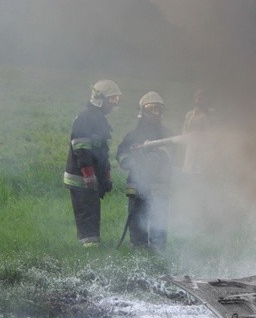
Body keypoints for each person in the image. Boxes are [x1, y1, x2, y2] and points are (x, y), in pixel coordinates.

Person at [63, 80, 121, 246]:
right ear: (99, 98)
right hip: (81, 179)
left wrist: (105, 175)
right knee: (87, 216)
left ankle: (92, 246)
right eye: (112, 99)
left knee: (93, 214)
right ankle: (89, 250)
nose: (114, 104)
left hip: (92, 179)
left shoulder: (100, 119)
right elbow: (81, 148)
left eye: (116, 100)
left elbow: (102, 152)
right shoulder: (85, 118)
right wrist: (88, 175)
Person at [116, 92, 174, 250]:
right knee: (136, 217)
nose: (155, 113)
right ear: (142, 111)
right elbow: (121, 155)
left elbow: (174, 156)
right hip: (137, 184)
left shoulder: (167, 135)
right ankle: (138, 246)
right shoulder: (133, 136)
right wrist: (131, 161)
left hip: (159, 185)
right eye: (151, 108)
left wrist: (159, 157)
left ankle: (158, 248)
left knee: (159, 217)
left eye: (158, 109)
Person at [182, 89, 214, 174]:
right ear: (195, 100)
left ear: (207, 100)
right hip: (191, 147)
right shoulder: (189, 115)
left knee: (201, 172)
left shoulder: (211, 114)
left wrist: (201, 135)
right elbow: (184, 130)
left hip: (204, 148)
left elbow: (213, 131)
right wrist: (187, 137)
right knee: (188, 171)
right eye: (198, 99)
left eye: (202, 99)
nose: (200, 101)